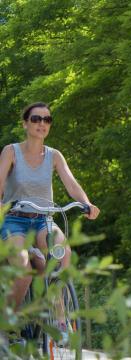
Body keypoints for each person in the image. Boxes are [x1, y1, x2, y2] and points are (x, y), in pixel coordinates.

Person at [0, 102, 100, 312]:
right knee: (24, 270)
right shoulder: (11, 152)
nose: (42, 123)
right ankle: (8, 323)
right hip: (14, 219)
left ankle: (57, 313)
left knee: (63, 255)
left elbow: (71, 184)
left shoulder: (54, 155)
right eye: (36, 119)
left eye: (47, 119)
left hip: (43, 220)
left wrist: (86, 203)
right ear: (25, 124)